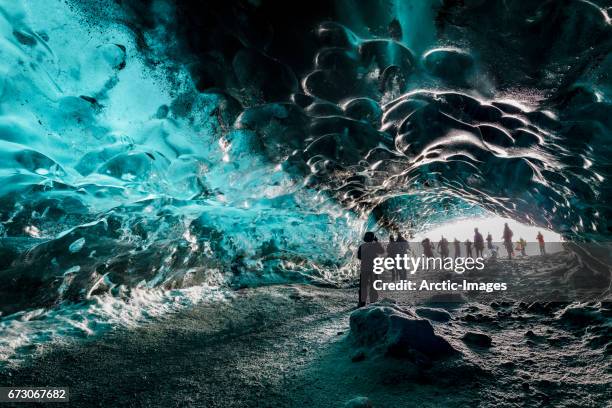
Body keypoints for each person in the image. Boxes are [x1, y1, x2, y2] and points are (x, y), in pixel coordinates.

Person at [357, 232, 384, 307]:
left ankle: (362, 302)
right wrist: (377, 241)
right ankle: (373, 302)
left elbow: (359, 257)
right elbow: (382, 251)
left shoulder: (362, 246)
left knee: (363, 286)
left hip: (364, 267)